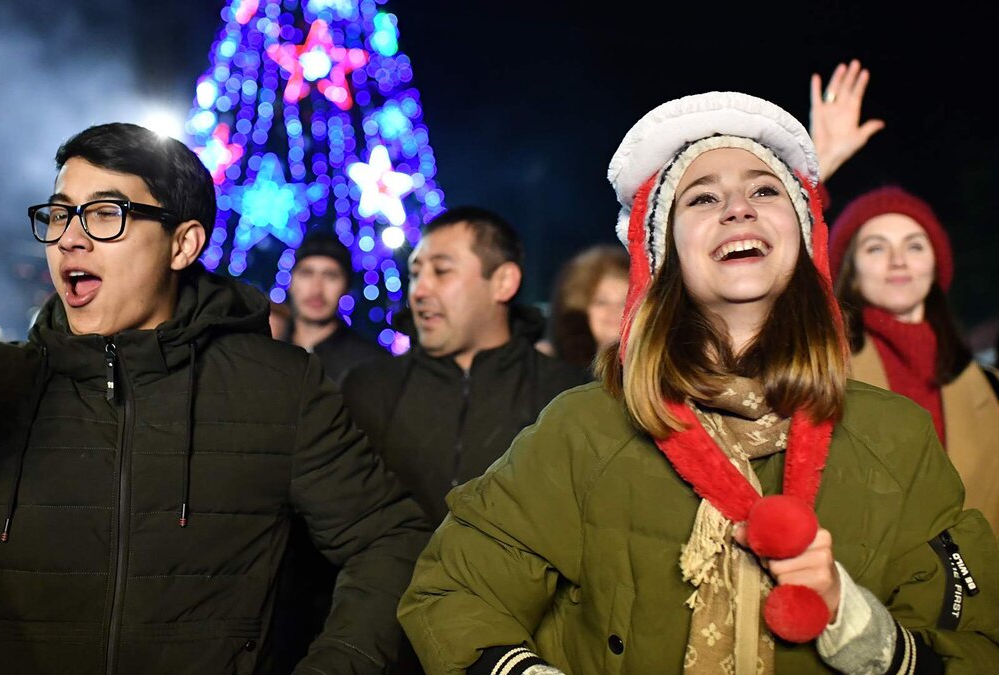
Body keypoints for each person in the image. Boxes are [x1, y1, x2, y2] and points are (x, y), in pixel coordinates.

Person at [397, 92, 999, 674]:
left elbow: (977, 642)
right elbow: (452, 593)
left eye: (766, 191)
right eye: (702, 198)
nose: (738, 208)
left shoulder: (895, 436)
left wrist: (858, 625)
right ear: (664, 253)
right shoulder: (585, 429)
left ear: (802, 237)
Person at [0, 122, 429, 674]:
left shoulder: (279, 386)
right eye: (59, 214)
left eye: (106, 214)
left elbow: (391, 541)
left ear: (183, 244)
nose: (70, 238)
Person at [342, 206, 588, 525]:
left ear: (503, 282)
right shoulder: (368, 390)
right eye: (415, 274)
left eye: (441, 271)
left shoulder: (566, 397)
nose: (420, 291)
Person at [830, 187, 999, 535]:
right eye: (876, 247)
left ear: (935, 264)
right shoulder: (822, 368)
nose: (898, 260)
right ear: (850, 268)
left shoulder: (989, 386)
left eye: (915, 245)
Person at [283, 231, 388, 385]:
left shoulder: (370, 364)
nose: (316, 289)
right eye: (307, 273)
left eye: (331, 276)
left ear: (346, 287)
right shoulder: (268, 350)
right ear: (291, 282)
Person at [541, 245, 630, 374]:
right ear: (582, 308)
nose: (614, 310)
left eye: (624, 302)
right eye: (601, 302)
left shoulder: (653, 373)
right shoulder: (549, 368)